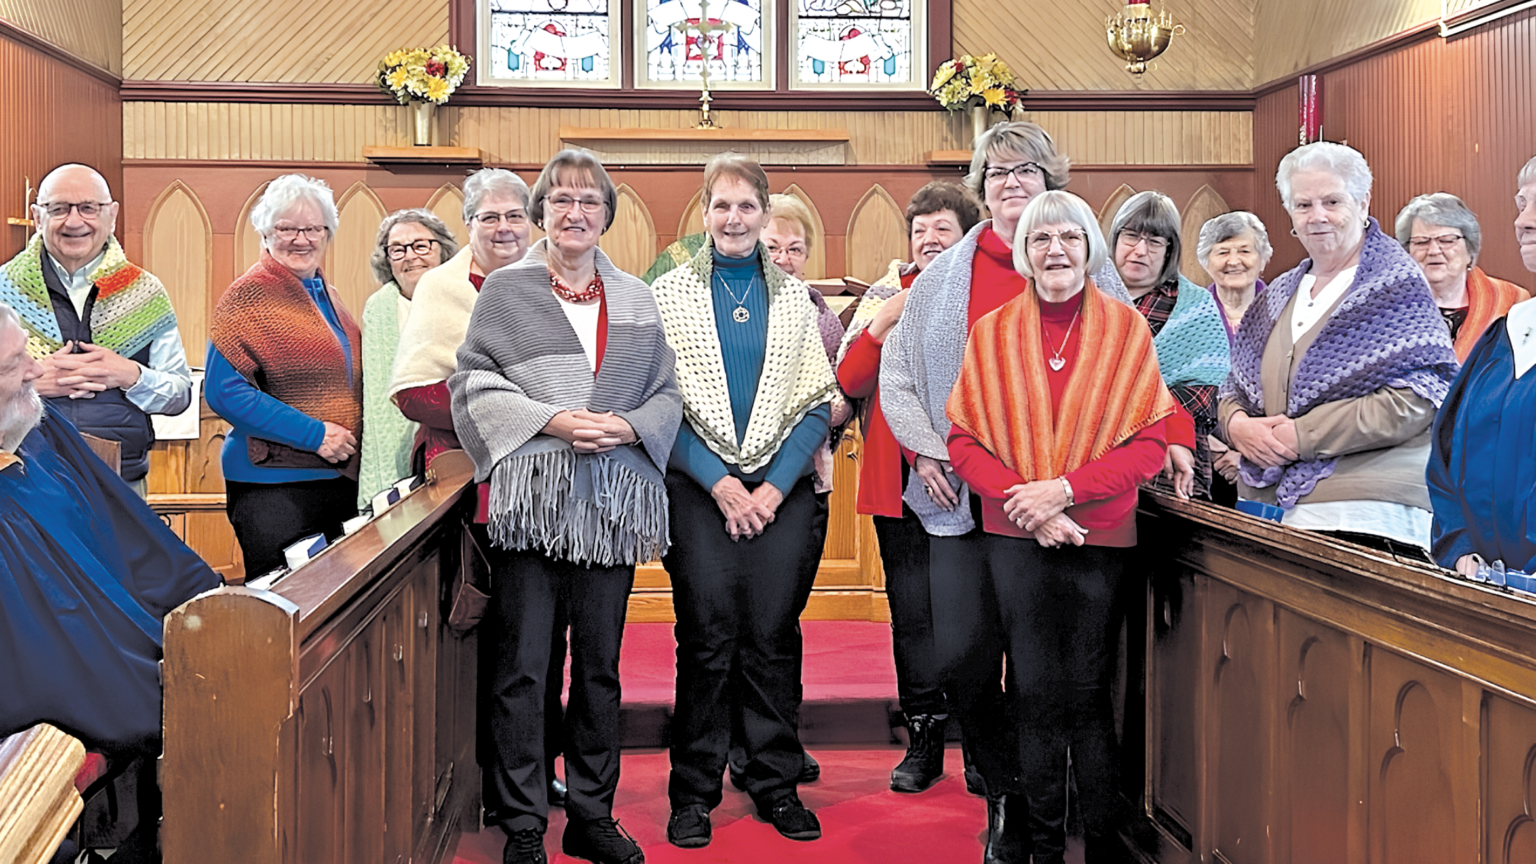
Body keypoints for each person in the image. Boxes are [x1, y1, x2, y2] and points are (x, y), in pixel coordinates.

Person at [880, 121, 1121, 863]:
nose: (1011, 183)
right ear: (980, 189)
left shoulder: (1086, 259)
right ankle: (1006, 788)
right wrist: (923, 447)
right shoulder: (947, 272)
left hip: (1052, 510)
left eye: (1025, 171)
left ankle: (1037, 811)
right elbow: (896, 371)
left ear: (1052, 181)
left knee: (1046, 668)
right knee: (962, 657)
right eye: (996, 173)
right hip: (959, 497)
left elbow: (1122, 373)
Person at [450, 149, 681, 864]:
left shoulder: (638, 296)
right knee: (523, 667)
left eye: (589, 201)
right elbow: (472, 384)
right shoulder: (507, 292)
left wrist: (627, 426)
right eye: (561, 201)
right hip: (533, 505)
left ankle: (591, 815)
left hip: (611, 506)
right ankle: (524, 823)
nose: (575, 213)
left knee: (602, 668)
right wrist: (552, 420)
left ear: (607, 214)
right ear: (542, 213)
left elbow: (667, 393)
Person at [947, 189, 1173, 864]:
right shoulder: (991, 332)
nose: (1055, 251)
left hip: (1099, 538)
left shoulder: (1124, 327)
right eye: (1041, 240)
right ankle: (1043, 847)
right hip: (1016, 539)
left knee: (1088, 697)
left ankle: (1100, 844)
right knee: (1034, 695)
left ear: (1089, 248)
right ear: (1024, 252)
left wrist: (1065, 493)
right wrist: (1030, 504)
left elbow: (1149, 445)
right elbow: (963, 444)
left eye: (1069, 238)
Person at [651, 152, 836, 847]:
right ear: (704, 214)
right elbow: (654, 405)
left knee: (771, 638)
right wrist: (724, 484)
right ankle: (693, 791)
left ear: (765, 215)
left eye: (747, 207)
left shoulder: (793, 298)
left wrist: (770, 488)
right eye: (722, 206)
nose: (734, 219)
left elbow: (816, 405)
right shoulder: (667, 295)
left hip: (780, 494)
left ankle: (773, 782)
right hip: (699, 490)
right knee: (705, 640)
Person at [0, 302, 218, 861]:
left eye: (26, 353)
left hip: (115, 642)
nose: (33, 371)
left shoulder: (40, 436)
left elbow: (140, 541)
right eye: (12, 366)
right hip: (61, 685)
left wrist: (209, 607)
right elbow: (39, 647)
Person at [1218, 141, 1459, 558]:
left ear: (1363, 201)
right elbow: (1232, 387)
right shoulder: (1278, 294)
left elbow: (1419, 398)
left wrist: (1302, 437)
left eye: (1332, 201)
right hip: (1272, 508)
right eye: (1303, 204)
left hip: (1368, 515)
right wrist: (1237, 426)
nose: (1318, 216)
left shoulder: (1395, 285)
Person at [835, 180, 981, 793]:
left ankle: (981, 740)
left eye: (942, 229)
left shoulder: (981, 290)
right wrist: (879, 324)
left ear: (968, 236)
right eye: (919, 230)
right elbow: (849, 382)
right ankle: (923, 737)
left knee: (971, 619)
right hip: (897, 481)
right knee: (913, 616)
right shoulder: (884, 294)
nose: (928, 239)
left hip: (972, 479)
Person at [0, 163, 193, 496]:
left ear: (112, 214)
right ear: (37, 216)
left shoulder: (145, 293)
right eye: (58, 208)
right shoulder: (3, 289)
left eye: (89, 208)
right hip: (21, 477)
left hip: (121, 480)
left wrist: (130, 374)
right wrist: (26, 382)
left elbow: (179, 394)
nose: (75, 221)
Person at [206, 174, 362, 578]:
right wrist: (314, 435)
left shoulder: (328, 294)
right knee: (284, 610)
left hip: (336, 478)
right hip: (274, 486)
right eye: (286, 228)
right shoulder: (248, 295)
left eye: (312, 228)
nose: (301, 239)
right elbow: (225, 392)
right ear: (265, 232)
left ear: (327, 233)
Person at [1427, 156, 1536, 577]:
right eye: (1520, 204)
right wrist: (1461, 548)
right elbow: (1446, 454)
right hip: (1483, 587)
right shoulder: (1506, 334)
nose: (1523, 221)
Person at [391, 168, 533, 471]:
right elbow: (412, 394)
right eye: (490, 217)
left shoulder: (554, 280)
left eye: (515, 216)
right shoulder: (440, 285)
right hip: (461, 460)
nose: (504, 227)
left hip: (547, 455)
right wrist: (516, 413)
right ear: (469, 224)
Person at [1099, 191, 1230, 500]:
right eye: (1131, 236)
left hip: (1171, 463)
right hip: (1094, 461)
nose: (1140, 250)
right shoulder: (1085, 296)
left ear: (1169, 250)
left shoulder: (1196, 305)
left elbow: (1203, 392)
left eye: (1155, 242)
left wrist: (1144, 419)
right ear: (1114, 239)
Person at [357, 209, 458, 508]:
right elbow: (376, 396)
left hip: (452, 442)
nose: (410, 256)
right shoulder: (378, 309)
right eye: (397, 249)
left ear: (442, 250)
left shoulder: (464, 296)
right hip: (397, 445)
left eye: (421, 245)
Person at [1395, 192, 1529, 362]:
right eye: (1422, 242)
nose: (1434, 250)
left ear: (1469, 249)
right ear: (1407, 251)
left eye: (1447, 240)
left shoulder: (1512, 301)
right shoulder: (1390, 305)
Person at [1196, 211, 1273, 502]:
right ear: (1206, 260)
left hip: (1274, 459)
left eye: (1244, 250)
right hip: (1204, 464)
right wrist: (1218, 450)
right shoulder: (1190, 315)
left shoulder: (1286, 313)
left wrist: (1250, 455)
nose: (1233, 260)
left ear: (1263, 258)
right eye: (1222, 252)